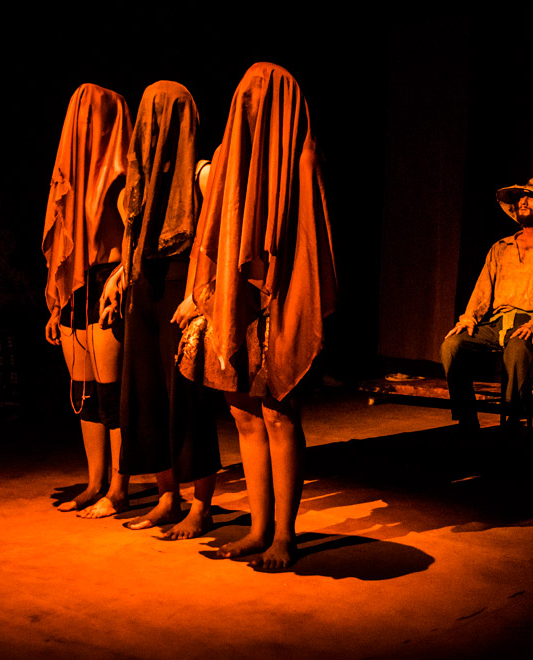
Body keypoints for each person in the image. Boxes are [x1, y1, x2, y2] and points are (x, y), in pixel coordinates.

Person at [173, 63, 336, 569]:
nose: (251, 106)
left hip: (282, 298)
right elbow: (209, 232)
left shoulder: (302, 156)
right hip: (234, 300)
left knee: (278, 413)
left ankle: (284, 535)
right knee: (243, 412)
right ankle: (258, 527)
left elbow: (311, 244)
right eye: (246, 96)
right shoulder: (225, 157)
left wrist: (291, 300)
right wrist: (197, 295)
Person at [79, 81, 222, 538]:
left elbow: (218, 240)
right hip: (144, 286)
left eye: (166, 116)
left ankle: (201, 506)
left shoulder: (202, 173)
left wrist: (198, 295)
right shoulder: (137, 183)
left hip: (183, 289)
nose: (155, 127)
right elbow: (133, 240)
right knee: (145, 395)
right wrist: (121, 276)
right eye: (150, 115)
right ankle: (167, 496)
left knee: (188, 398)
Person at [42, 84, 132, 512]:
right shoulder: (72, 177)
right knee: (84, 388)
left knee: (112, 390)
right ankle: (96, 480)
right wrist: (58, 301)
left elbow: (136, 232)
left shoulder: (124, 174)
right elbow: (62, 240)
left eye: (90, 120)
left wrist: (121, 274)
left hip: (109, 279)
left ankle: (119, 485)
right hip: (79, 283)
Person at [441, 176, 533, 433]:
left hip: (530, 323)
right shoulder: (501, 248)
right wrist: (469, 318)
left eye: (532, 197)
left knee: (516, 349)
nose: (523, 201)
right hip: (496, 323)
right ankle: (467, 420)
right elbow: (482, 290)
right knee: (452, 345)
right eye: (521, 198)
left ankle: (513, 422)